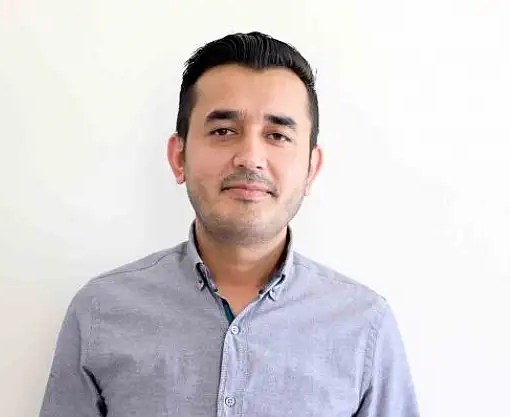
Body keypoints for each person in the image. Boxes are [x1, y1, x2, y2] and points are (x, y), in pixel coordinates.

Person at [39, 31, 419, 417]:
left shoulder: (365, 326)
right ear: (179, 157)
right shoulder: (100, 311)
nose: (250, 157)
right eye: (223, 131)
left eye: (277, 135)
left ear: (311, 169)